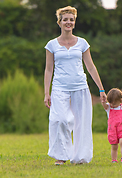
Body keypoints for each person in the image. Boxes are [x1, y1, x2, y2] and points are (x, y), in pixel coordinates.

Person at [43, 6, 107, 166]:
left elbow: (91, 67)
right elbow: (48, 69)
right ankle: (61, 155)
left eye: (71, 19)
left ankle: (80, 157)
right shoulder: (51, 45)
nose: (68, 22)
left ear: (74, 22)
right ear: (59, 22)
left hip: (80, 87)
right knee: (60, 120)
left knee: (82, 123)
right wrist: (46, 92)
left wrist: (101, 89)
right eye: (65, 19)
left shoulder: (82, 43)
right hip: (59, 88)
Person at [101, 88, 122, 163]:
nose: (112, 105)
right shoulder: (109, 107)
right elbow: (104, 105)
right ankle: (114, 160)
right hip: (112, 129)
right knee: (114, 145)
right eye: (111, 103)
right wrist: (103, 101)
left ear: (120, 100)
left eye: (114, 104)